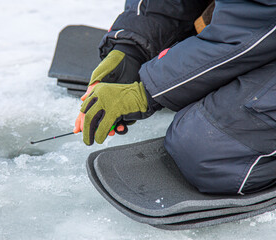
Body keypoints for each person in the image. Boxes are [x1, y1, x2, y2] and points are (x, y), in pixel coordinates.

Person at [73, 0, 276, 195]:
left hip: (259, 22)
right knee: (173, 55)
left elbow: (255, 20)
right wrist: (130, 49)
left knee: (210, 149)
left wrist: (147, 92)